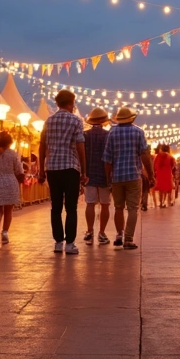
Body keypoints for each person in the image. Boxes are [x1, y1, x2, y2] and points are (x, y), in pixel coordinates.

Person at [38, 90, 87, 255]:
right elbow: (80, 146)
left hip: (52, 168)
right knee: (71, 207)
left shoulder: (48, 121)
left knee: (56, 206)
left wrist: (41, 170)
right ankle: (70, 243)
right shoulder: (76, 121)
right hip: (71, 167)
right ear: (70, 103)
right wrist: (84, 171)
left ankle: (58, 242)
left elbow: (42, 146)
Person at [103, 106, 153, 250]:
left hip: (117, 176)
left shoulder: (112, 133)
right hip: (133, 175)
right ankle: (129, 239)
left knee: (118, 207)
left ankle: (119, 234)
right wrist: (150, 174)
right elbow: (144, 154)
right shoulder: (138, 132)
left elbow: (107, 159)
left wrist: (108, 177)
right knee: (132, 208)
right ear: (132, 118)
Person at [82, 108, 112, 246]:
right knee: (105, 205)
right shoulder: (108, 135)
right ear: (104, 121)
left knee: (90, 204)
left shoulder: (85, 135)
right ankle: (102, 233)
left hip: (89, 174)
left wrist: (83, 173)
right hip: (105, 175)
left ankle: (89, 232)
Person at [152, 144, 175, 208]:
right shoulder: (170, 157)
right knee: (167, 189)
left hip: (160, 174)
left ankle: (161, 202)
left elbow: (154, 165)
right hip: (168, 174)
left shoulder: (158, 156)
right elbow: (173, 166)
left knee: (161, 189)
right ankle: (165, 201)